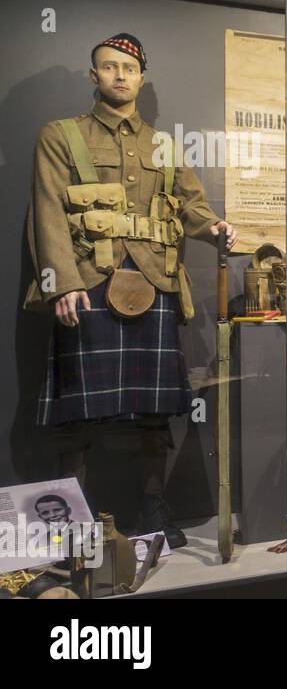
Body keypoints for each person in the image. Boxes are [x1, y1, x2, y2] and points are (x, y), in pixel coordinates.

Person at [25, 34, 237, 548]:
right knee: (78, 411)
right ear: (94, 75)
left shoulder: (164, 145)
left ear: (142, 77)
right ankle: (70, 522)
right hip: (88, 283)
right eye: (109, 66)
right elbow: (47, 209)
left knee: (154, 411)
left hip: (153, 282)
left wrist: (212, 227)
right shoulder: (61, 135)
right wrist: (61, 283)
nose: (120, 75)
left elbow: (192, 205)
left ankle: (151, 507)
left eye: (129, 68)